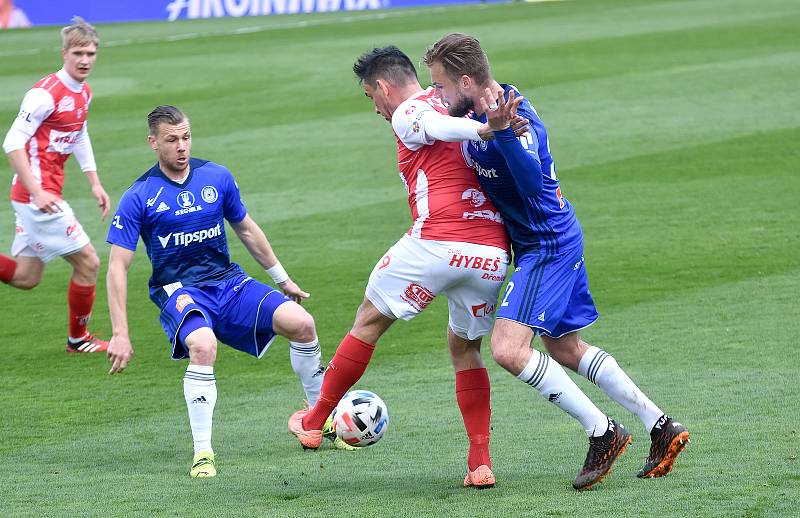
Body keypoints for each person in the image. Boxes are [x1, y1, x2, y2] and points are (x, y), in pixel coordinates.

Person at [422, 33, 690, 489]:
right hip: (545, 241)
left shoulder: (515, 117)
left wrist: (503, 132)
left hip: (547, 246)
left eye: (442, 86)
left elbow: (527, 184)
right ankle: (661, 426)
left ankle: (602, 432)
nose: (437, 95)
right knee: (565, 348)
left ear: (467, 81)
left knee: (508, 350)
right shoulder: (471, 112)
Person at [289, 46, 514, 489]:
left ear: (383, 87)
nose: (375, 108)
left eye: (371, 96)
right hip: (489, 254)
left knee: (369, 321)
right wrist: (483, 125)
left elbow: (433, 126)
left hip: (435, 243)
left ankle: (314, 421)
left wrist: (484, 130)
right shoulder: (451, 96)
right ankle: (480, 463)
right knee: (465, 349)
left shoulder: (411, 110)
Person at [105, 105, 348, 478]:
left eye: (186, 137)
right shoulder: (139, 196)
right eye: (171, 140)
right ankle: (203, 452)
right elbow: (117, 266)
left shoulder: (216, 177)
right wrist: (120, 333)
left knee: (302, 323)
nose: (181, 146)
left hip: (229, 282)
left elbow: (247, 229)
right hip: (179, 289)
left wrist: (282, 279)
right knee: (202, 345)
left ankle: (317, 421)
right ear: (153, 143)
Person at [1, 17, 111, 353]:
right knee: (89, 262)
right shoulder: (44, 95)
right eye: (78, 52)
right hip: (38, 198)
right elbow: (11, 143)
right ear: (64, 53)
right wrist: (37, 191)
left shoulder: (83, 93)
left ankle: (77, 340)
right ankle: (78, 340)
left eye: (91, 53)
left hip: (41, 194)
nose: (85, 60)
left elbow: (79, 134)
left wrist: (94, 182)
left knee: (26, 276)